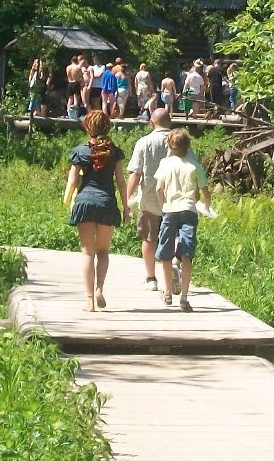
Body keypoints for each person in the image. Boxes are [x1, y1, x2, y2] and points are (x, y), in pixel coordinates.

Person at [63, 110, 128, 312]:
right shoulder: (114, 152)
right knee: (103, 251)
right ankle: (100, 289)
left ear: (87, 127)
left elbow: (73, 181)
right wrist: (126, 207)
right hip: (107, 204)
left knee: (87, 253)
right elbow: (121, 182)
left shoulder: (80, 151)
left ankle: (89, 300)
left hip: (84, 203)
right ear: (107, 127)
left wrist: (67, 199)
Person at [154, 128, 211, 311]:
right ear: (188, 146)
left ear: (169, 145)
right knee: (187, 254)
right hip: (189, 210)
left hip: (170, 210)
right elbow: (204, 190)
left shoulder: (165, 164)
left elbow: (158, 188)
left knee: (165, 251)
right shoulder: (194, 166)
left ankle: (168, 292)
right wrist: (206, 205)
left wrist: (163, 205)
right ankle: (184, 297)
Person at [126, 107, 177, 291]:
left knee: (149, 238)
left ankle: (151, 279)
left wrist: (127, 198)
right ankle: (175, 264)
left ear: (151, 123)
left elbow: (135, 173)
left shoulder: (144, 142)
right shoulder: (178, 140)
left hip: (149, 197)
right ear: (170, 122)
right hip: (174, 197)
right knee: (176, 234)